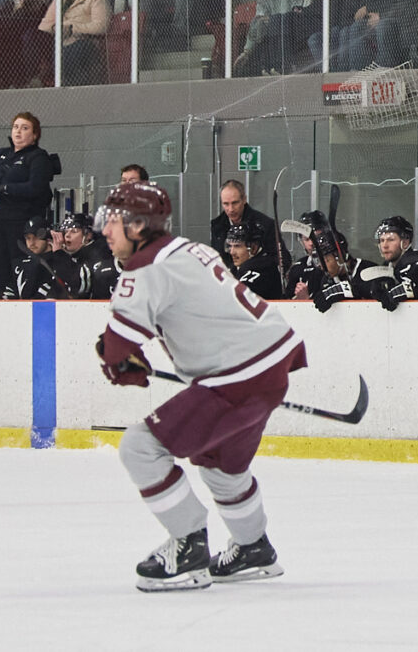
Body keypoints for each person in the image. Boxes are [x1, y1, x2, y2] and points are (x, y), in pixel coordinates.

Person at [95, 179, 304, 588]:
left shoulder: (144, 269)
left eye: (113, 221)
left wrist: (118, 362)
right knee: (220, 465)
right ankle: (252, 547)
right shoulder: (192, 248)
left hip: (235, 375)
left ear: (138, 226)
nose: (105, 229)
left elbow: (117, 352)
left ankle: (188, 546)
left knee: (139, 447)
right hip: (272, 362)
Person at [0, 111, 61, 291]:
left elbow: (35, 187)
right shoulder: (1, 154)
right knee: (1, 268)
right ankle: (4, 298)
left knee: (21, 267)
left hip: (22, 222)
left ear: (35, 135)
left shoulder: (38, 157)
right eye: (15, 127)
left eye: (25, 128)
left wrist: (6, 188)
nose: (18, 132)